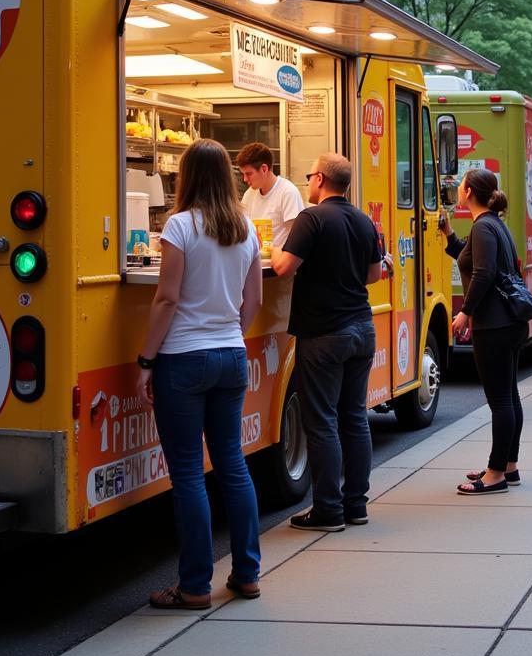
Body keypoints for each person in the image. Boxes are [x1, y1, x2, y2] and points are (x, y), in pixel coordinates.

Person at [136, 139, 264, 610]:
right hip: (232, 355)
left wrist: (146, 360)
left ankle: (193, 586)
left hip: (184, 360)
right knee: (233, 464)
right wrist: (230, 332)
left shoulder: (179, 226)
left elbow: (167, 299)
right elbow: (254, 301)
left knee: (189, 474)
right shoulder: (245, 227)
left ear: (187, 176)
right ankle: (247, 574)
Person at [272, 153, 384, 530]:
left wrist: (273, 249)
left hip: (323, 333)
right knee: (354, 418)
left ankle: (328, 510)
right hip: (361, 328)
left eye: (309, 176)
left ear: (319, 179)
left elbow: (284, 267)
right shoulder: (364, 220)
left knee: (320, 422)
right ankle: (356, 505)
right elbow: (372, 275)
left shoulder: (312, 217)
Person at [442, 168, 530, 493]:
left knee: (500, 401)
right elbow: (469, 258)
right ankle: (508, 466)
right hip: (507, 322)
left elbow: (483, 273)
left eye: (462, 184)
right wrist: (449, 235)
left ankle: (495, 474)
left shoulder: (484, 227)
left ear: (467, 192)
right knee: (509, 396)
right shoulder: (493, 224)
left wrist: (465, 312)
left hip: (494, 325)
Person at [236, 142, 305, 248]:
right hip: (256, 259)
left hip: (278, 261)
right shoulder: (249, 194)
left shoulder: (288, 192)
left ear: (264, 169)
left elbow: (298, 238)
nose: (245, 179)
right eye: (243, 174)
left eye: (249, 174)